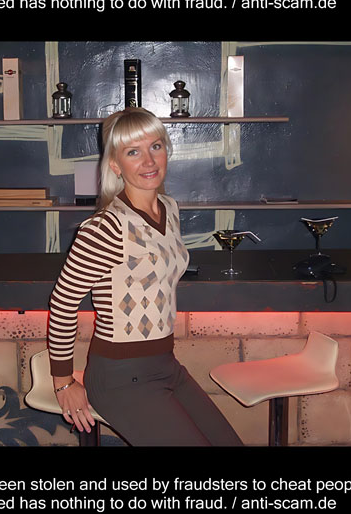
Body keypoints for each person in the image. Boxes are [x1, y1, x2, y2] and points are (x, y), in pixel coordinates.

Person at [47, 107, 243, 446]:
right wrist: (63, 382)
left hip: (166, 365)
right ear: (115, 165)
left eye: (155, 146)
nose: (149, 161)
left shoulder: (169, 208)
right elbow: (63, 303)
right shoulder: (105, 227)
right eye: (133, 152)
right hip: (120, 377)